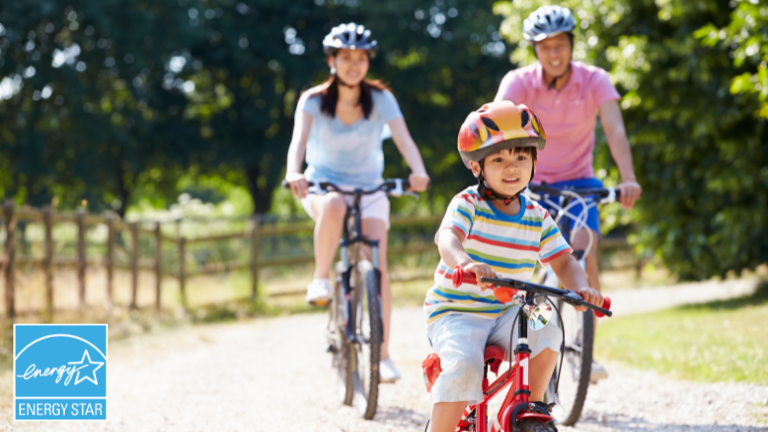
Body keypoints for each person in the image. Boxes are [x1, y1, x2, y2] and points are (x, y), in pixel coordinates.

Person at [425, 101, 604, 431]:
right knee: (463, 365)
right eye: (499, 159)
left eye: (521, 157)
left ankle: (525, 407)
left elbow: (564, 259)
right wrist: (466, 263)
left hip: (511, 307)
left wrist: (582, 288)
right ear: (477, 167)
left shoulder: (537, 214)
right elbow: (447, 237)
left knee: (549, 323)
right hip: (457, 311)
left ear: (534, 161)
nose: (512, 167)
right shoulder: (468, 203)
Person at [494, 5, 641, 381]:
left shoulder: (594, 80)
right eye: (545, 47)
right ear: (535, 50)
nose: (554, 53)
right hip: (532, 183)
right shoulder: (519, 82)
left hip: (579, 182)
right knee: (533, 266)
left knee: (583, 245)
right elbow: (497, 126)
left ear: (572, 45)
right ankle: (536, 336)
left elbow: (616, 131)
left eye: (560, 45)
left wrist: (627, 178)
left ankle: (583, 347)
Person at [285, 23, 430, 383]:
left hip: (370, 189)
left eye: (361, 58)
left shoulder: (381, 99)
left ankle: (382, 355)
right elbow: (298, 142)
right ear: (332, 60)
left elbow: (404, 140)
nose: (354, 65)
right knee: (333, 204)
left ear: (368, 62)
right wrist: (294, 171)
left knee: (376, 266)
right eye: (345, 57)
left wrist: (418, 170)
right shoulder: (314, 100)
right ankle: (320, 278)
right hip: (323, 186)